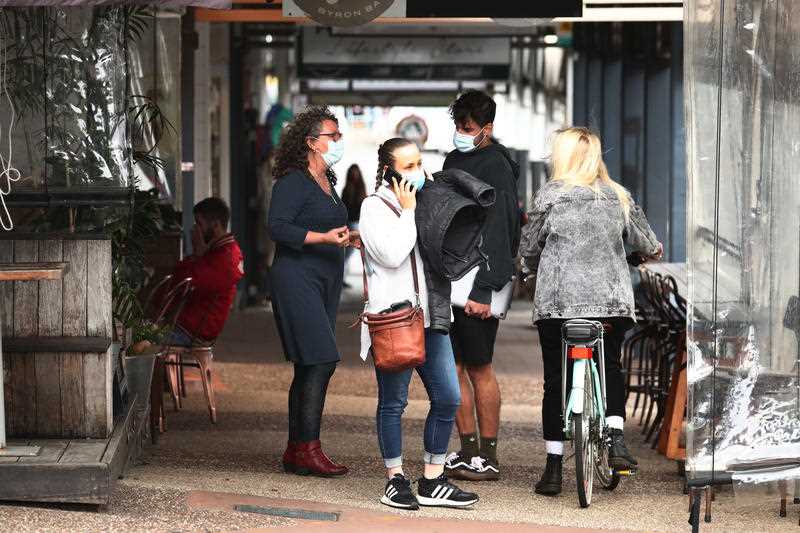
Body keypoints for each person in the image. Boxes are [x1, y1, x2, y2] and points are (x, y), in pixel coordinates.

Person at [520, 127, 662, 496]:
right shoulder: (618, 197)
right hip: (609, 305)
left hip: (557, 306)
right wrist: (639, 253)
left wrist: (527, 268)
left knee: (556, 380)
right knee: (609, 364)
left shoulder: (549, 196)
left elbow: (529, 250)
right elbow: (649, 245)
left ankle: (553, 469)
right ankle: (615, 437)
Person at [358, 138, 479, 510]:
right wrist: (409, 210)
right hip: (394, 318)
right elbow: (393, 255)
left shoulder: (424, 202)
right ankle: (394, 479)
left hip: (431, 316)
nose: (416, 171)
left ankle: (432, 478)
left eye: (418, 163)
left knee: (448, 397)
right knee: (393, 402)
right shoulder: (373, 207)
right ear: (387, 170)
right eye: (406, 166)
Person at [267, 106, 352, 478]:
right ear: (311, 142)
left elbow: (329, 225)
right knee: (321, 359)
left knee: (309, 365)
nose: (338, 142)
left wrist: (351, 238)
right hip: (297, 277)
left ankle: (296, 449)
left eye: (339, 135)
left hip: (324, 280)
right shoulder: (293, 181)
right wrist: (322, 238)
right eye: (331, 136)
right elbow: (278, 227)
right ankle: (309, 449)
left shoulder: (327, 180)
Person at [443, 90, 521, 481]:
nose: (460, 132)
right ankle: (467, 449)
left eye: (468, 128)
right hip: (451, 276)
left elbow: (501, 225)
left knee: (479, 367)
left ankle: (488, 456)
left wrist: (485, 288)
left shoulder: (496, 165)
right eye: (457, 125)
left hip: (479, 279)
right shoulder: (454, 159)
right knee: (452, 366)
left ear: (486, 128)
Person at [167, 197, 244, 346]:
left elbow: (184, 283)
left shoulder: (226, 257)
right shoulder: (218, 251)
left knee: (140, 344)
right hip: (186, 325)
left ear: (215, 225)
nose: (195, 229)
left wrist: (197, 254)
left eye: (199, 223)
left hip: (191, 332)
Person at [341, 164, 367, 284]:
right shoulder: (348, 190)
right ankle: (342, 278)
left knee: (361, 253)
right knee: (349, 253)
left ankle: (343, 278)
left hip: (359, 223)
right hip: (353, 223)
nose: (355, 175)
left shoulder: (360, 189)